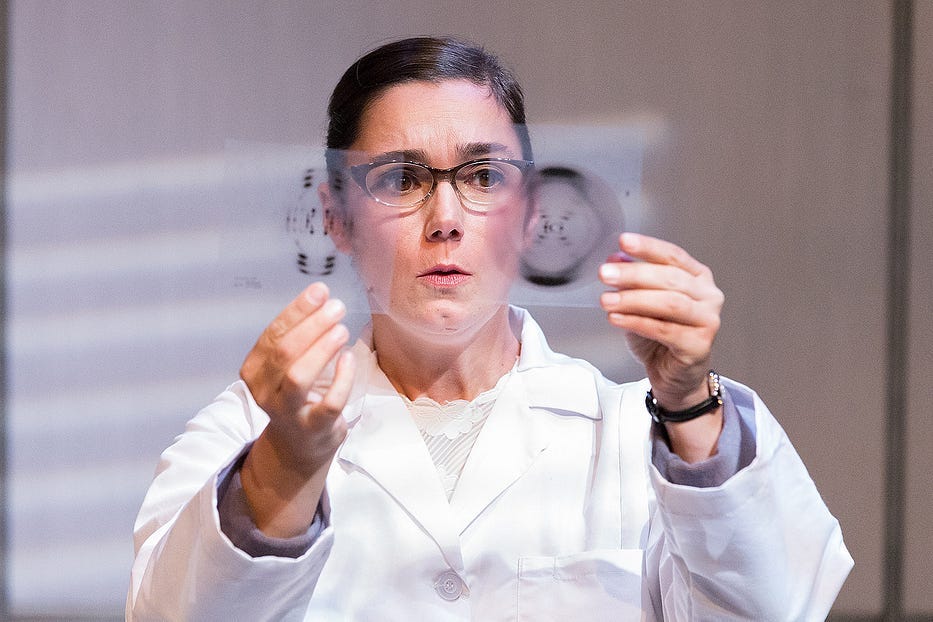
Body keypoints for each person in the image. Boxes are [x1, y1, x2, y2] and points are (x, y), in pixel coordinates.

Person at [128, 36, 852, 620]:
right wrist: (287, 462)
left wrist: (690, 401)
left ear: (531, 209)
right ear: (335, 216)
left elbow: (773, 608)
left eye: (481, 176)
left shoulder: (642, 432)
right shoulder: (242, 439)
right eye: (399, 178)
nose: (444, 219)